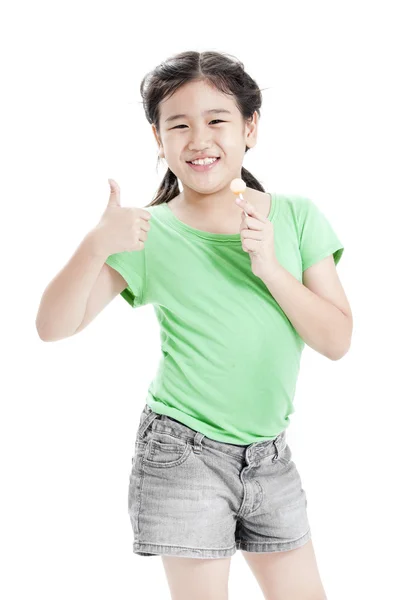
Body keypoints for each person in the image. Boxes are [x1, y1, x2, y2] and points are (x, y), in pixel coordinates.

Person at [36, 50, 352, 600]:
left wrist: (271, 267)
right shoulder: (147, 232)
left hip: (270, 457)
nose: (198, 138)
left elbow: (337, 341)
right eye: (178, 125)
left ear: (250, 127)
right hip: (183, 454)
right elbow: (52, 327)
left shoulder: (296, 216)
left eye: (217, 121)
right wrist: (94, 246)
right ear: (158, 139)